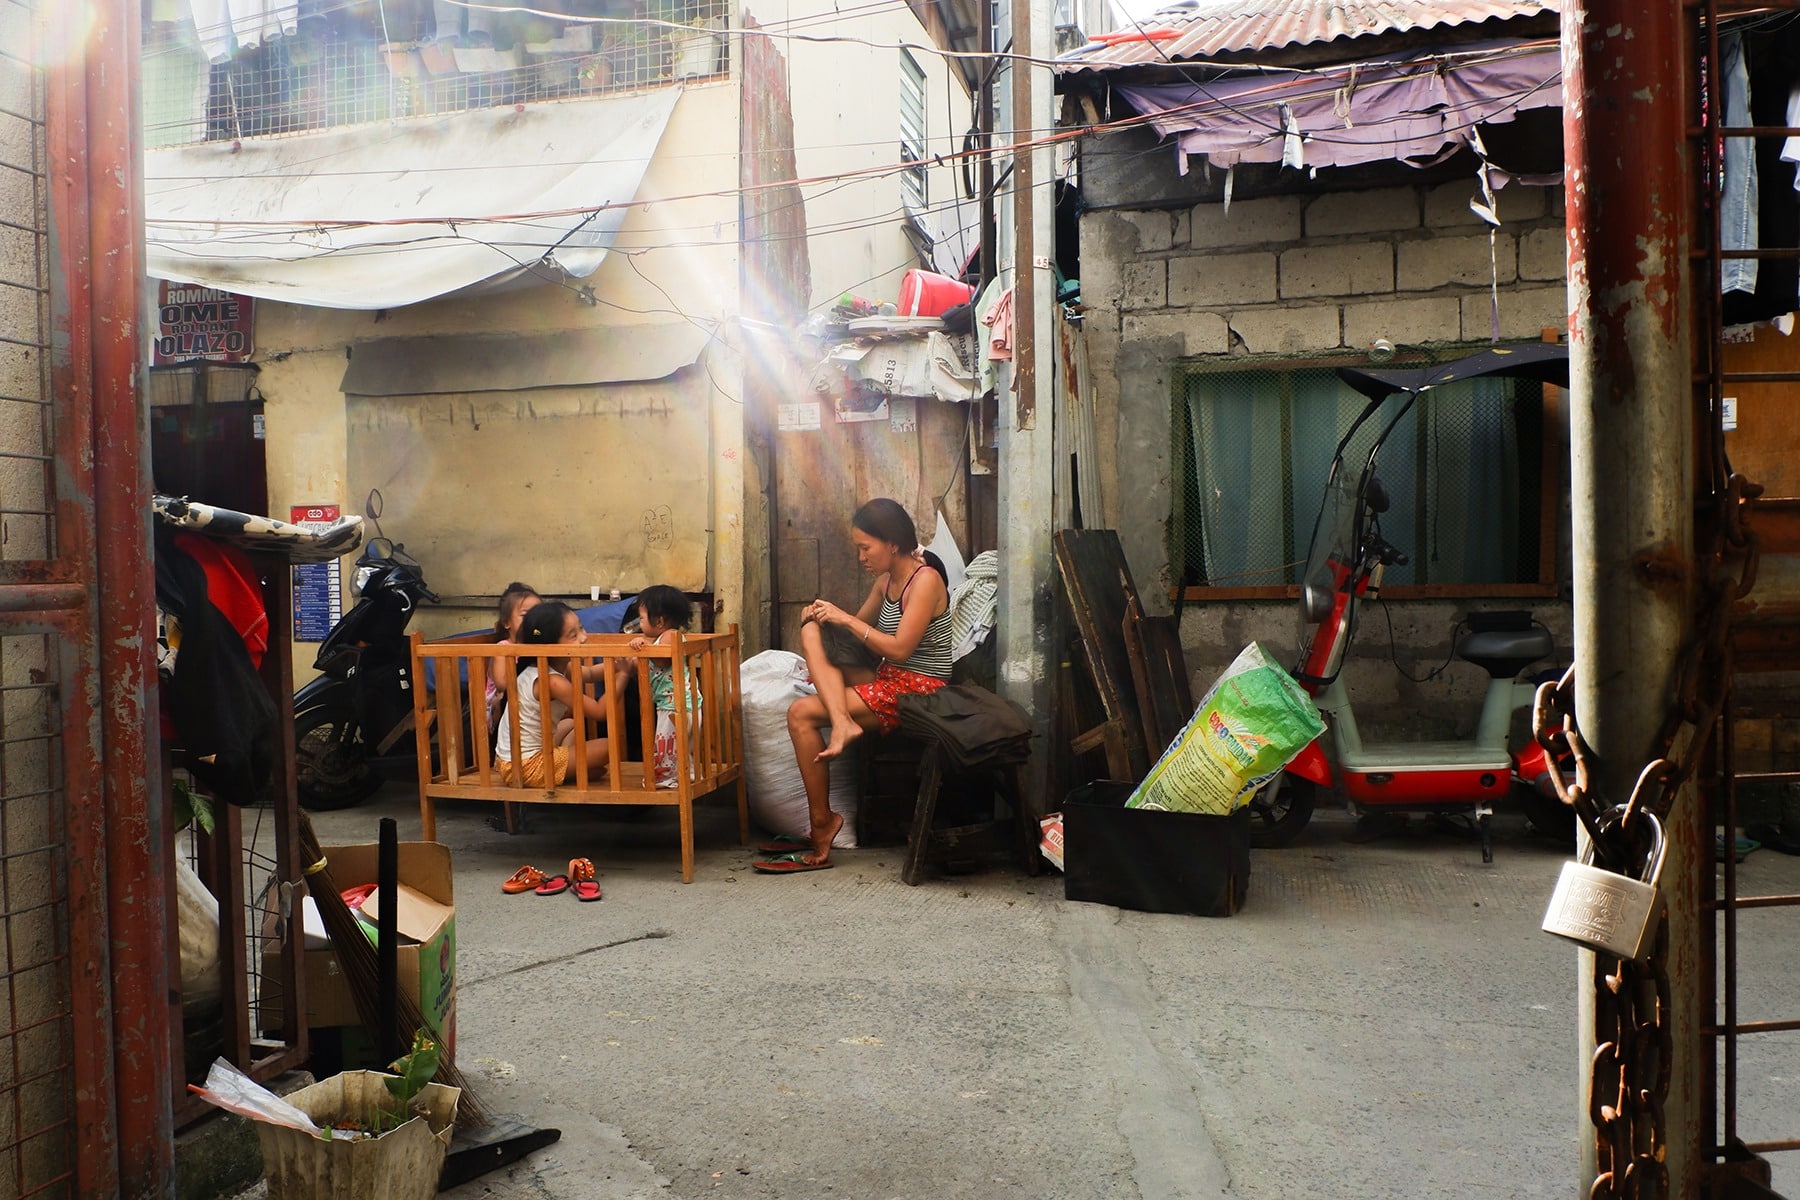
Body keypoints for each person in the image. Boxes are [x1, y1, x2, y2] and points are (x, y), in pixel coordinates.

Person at [778, 498, 952, 869]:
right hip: (888, 676)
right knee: (811, 629)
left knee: (800, 714)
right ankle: (843, 723)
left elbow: (900, 649)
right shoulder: (885, 582)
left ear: (892, 543)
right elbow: (854, 640)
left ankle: (823, 823)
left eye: (865, 548)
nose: (861, 557)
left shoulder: (925, 580)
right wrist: (821, 618)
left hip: (921, 690)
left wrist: (845, 618)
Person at [493, 601, 612, 786]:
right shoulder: (551, 681)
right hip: (526, 766)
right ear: (550, 644)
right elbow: (598, 711)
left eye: (581, 628)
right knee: (609, 746)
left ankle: (566, 769)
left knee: (569, 724)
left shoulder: (553, 667)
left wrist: (619, 664)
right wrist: (623, 675)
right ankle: (563, 770)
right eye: (573, 635)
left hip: (511, 761)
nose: (584, 637)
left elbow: (590, 673)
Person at [627, 585, 699, 788]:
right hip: (683, 703)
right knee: (680, 744)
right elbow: (651, 666)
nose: (640, 623)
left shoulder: (669, 636)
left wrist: (645, 647)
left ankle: (663, 777)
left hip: (673, 704)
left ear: (659, 621)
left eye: (642, 618)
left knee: (665, 742)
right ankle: (686, 772)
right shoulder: (661, 638)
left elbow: (662, 659)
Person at [484, 581, 541, 725]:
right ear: (506, 623)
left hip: (530, 702)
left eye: (538, 615)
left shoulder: (541, 646)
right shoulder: (503, 648)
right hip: (502, 706)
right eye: (525, 615)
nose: (533, 620)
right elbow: (502, 684)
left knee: (570, 722)